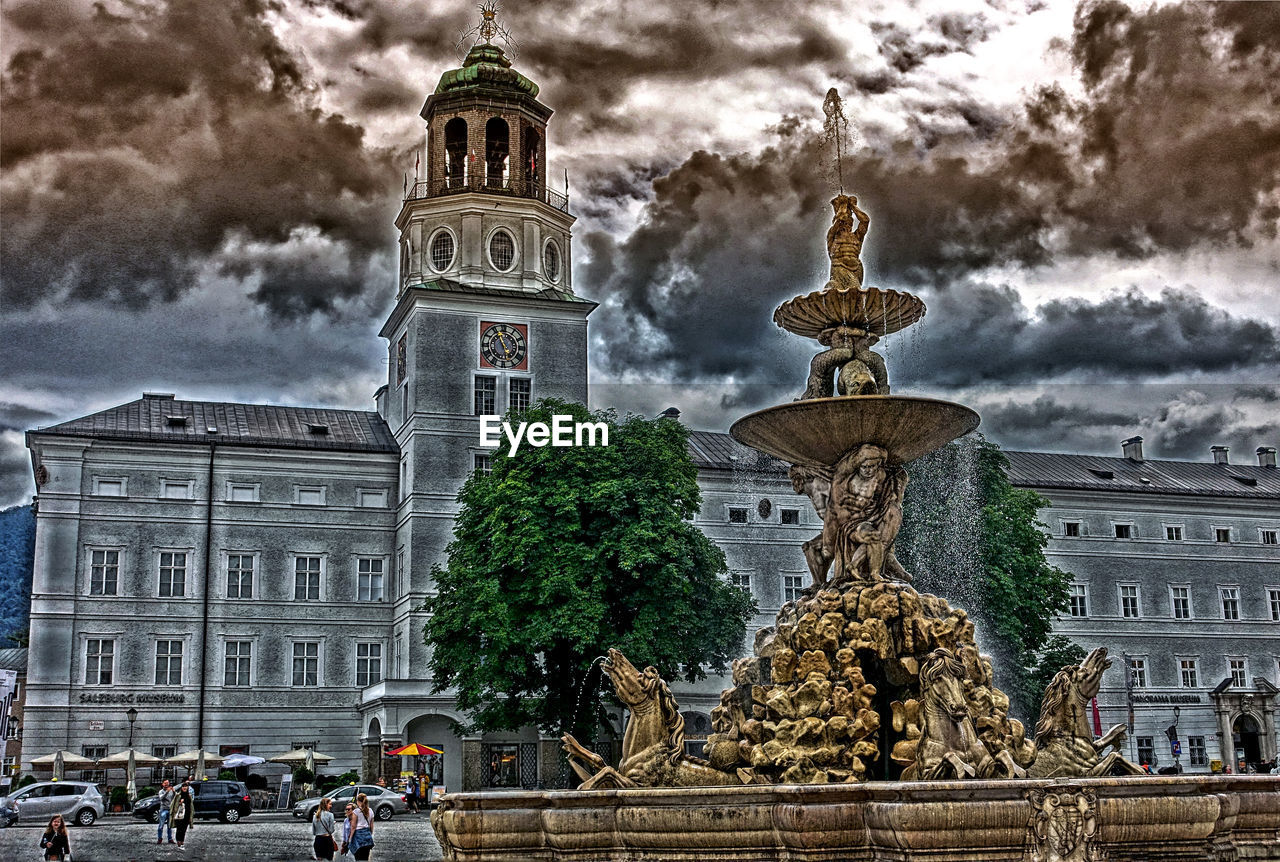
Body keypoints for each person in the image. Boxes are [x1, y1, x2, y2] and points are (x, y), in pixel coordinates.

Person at [347, 792, 376, 860]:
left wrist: (350, 838)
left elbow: (353, 827)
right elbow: (371, 826)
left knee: (358, 857)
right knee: (365, 857)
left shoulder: (356, 812)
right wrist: (369, 834)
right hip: (367, 836)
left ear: (358, 801)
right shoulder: (370, 811)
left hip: (358, 836)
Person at [174, 778, 195, 849]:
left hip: (187, 815)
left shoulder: (189, 796)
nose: (184, 788)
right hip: (179, 815)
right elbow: (174, 805)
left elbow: (191, 807)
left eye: (186, 786)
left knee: (184, 829)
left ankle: (182, 841)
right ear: (181, 788)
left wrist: (190, 817)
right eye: (183, 787)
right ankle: (178, 842)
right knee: (179, 829)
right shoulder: (178, 796)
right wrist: (179, 803)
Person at [156, 778, 176, 844]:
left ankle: (170, 838)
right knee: (161, 825)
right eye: (165, 783)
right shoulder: (161, 791)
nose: (166, 784)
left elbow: (176, 798)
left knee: (169, 826)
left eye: (167, 783)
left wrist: (174, 792)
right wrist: (167, 792)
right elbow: (161, 798)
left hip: (170, 810)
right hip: (163, 810)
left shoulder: (171, 791)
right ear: (162, 784)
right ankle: (159, 838)